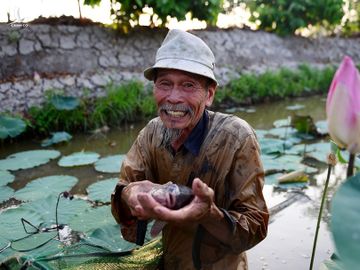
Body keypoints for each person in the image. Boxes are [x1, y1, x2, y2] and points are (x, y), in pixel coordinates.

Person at [111, 29, 269, 270]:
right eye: (165, 84)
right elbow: (124, 193)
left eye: (188, 85)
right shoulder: (151, 133)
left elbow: (255, 227)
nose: (173, 97)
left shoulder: (237, 137)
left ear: (209, 95)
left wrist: (209, 214)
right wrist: (130, 194)